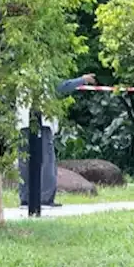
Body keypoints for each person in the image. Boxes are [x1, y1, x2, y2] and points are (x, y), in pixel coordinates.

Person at [17, 73, 95, 208]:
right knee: (46, 162)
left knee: (25, 161)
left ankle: (26, 198)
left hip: (23, 122)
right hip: (42, 122)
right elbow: (62, 86)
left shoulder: (21, 74)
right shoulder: (44, 74)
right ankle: (45, 198)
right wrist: (83, 80)